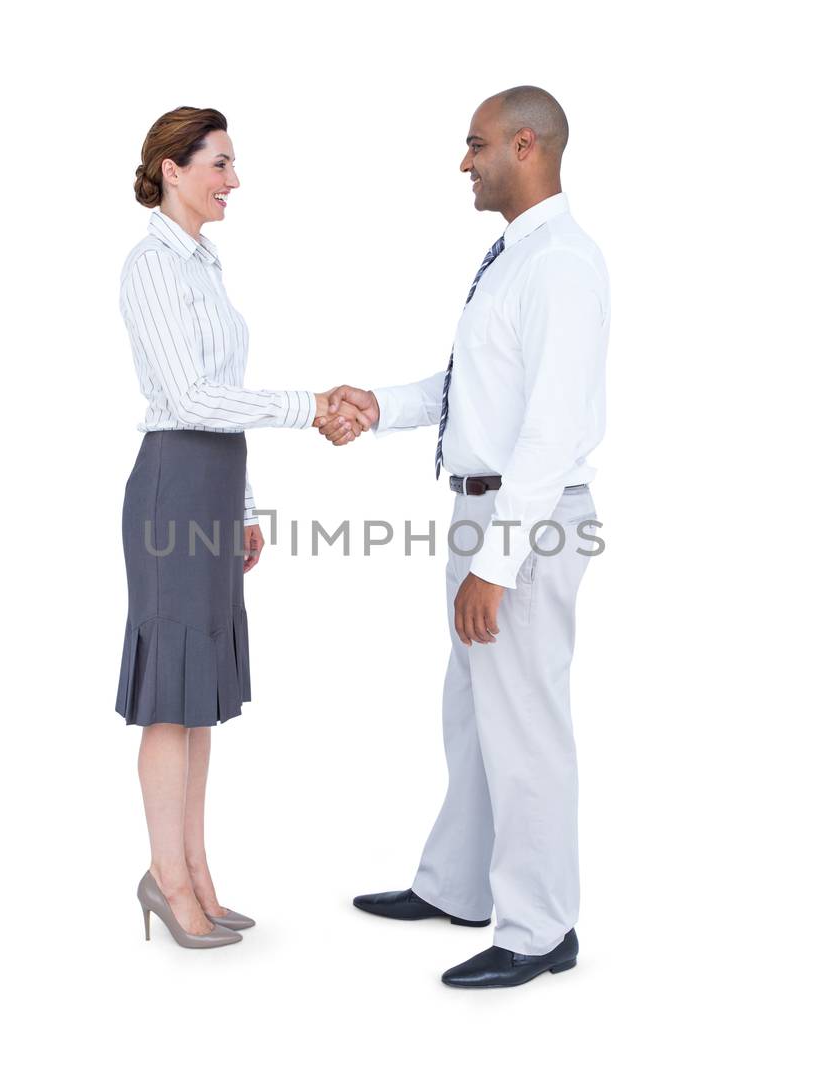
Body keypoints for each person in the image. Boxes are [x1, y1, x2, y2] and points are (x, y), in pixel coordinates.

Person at [319, 87, 608, 987]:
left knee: (525, 725)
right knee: (473, 714)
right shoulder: (515, 258)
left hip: (526, 520)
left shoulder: (561, 262)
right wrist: (382, 408)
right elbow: (473, 388)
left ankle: (538, 930)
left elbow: (550, 429)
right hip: (485, 508)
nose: (464, 162)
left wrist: (494, 562)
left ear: (526, 146)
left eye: (476, 145)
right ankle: (457, 885)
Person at [117, 106, 371, 949]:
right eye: (220, 164)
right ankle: (169, 878)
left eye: (231, 164)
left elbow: (225, 387)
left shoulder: (205, 265)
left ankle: (193, 873)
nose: (233, 181)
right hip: (173, 482)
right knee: (169, 697)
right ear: (172, 170)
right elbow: (187, 401)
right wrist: (308, 406)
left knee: (199, 700)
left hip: (215, 485)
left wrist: (249, 506)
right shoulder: (150, 266)